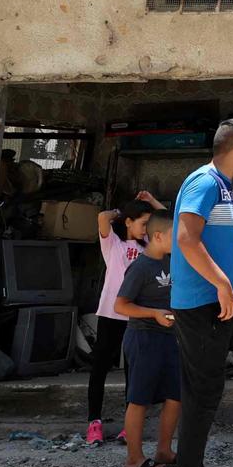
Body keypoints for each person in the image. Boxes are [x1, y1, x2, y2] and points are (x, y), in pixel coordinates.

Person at [167, 119, 233, 467]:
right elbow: (186, 238)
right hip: (201, 303)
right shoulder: (204, 182)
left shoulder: (224, 186)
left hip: (216, 300)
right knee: (201, 393)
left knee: (206, 391)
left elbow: (219, 242)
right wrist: (222, 282)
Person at [89, 190, 165, 445]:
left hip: (135, 314)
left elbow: (170, 222)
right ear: (129, 223)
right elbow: (102, 217)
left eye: (148, 223)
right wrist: (123, 212)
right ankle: (94, 422)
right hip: (111, 312)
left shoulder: (151, 248)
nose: (146, 228)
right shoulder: (113, 245)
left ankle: (128, 426)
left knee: (133, 371)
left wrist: (152, 203)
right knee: (100, 367)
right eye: (141, 223)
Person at [112, 212, 180, 467]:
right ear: (159, 236)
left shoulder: (174, 261)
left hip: (171, 337)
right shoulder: (140, 267)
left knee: (176, 396)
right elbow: (120, 305)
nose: (181, 239)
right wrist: (153, 313)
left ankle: (164, 450)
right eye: (175, 235)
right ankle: (134, 459)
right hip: (143, 337)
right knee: (139, 398)